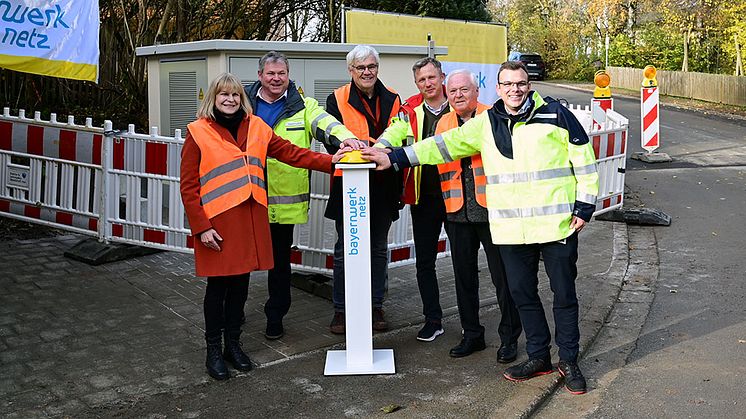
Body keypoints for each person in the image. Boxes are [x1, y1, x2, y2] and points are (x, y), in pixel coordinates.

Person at [362, 61, 599, 395]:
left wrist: (585, 205)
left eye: (521, 83)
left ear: (527, 85)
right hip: (513, 230)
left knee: (564, 296)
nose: (515, 89)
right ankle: (538, 356)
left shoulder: (556, 115)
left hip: (556, 225)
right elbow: (441, 145)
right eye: (508, 84)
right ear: (498, 88)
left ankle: (570, 360)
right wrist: (395, 157)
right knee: (523, 296)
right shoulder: (486, 124)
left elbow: (584, 160)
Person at [180, 72, 347, 380]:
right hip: (216, 224)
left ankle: (234, 345)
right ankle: (213, 351)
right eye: (223, 95)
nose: (229, 100)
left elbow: (291, 153)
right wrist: (201, 227)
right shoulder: (198, 131)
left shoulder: (257, 126)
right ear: (213, 99)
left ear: (242, 98)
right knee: (218, 289)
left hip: (248, 220)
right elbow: (188, 186)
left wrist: (332, 161)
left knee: (240, 286)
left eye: (234, 95)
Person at [245, 51, 362, 340]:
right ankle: (234, 313)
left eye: (281, 73)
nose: (276, 78)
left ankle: (275, 316)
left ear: (288, 75)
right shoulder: (243, 104)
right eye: (270, 73)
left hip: (283, 202)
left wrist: (345, 138)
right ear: (260, 75)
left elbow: (326, 123)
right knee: (242, 261)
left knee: (279, 265)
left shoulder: (303, 106)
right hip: (247, 198)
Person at [433, 69, 522, 360]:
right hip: (457, 212)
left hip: (492, 211)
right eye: (453, 91)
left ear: (476, 92)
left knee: (503, 277)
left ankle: (509, 338)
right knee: (463, 278)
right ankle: (472, 335)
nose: (458, 95)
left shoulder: (493, 116)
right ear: (447, 95)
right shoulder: (443, 123)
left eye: (464, 90)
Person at [324, 45, 403, 334]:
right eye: (361, 68)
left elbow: (400, 134)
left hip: (383, 184)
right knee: (346, 250)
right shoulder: (337, 98)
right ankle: (341, 310)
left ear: (377, 68)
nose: (367, 72)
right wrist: (353, 146)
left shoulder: (394, 98)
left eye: (371, 66)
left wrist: (378, 148)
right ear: (351, 70)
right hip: (349, 184)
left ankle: (375, 306)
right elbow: (330, 139)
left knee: (378, 249)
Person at [376, 57, 449, 342]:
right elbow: (394, 132)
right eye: (422, 80)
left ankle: (471, 322)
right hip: (424, 198)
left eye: (432, 77)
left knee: (465, 263)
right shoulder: (409, 109)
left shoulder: (458, 103)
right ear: (416, 83)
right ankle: (433, 319)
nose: (428, 84)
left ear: (442, 77)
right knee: (425, 263)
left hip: (458, 195)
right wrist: (379, 148)